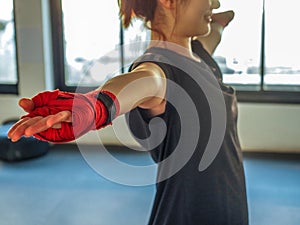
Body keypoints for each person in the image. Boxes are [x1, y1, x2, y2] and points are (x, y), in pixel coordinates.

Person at [8, 0, 248, 224]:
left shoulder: (201, 55)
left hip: (231, 208)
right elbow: (138, 83)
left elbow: (221, 22)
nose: (215, 2)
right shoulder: (158, 69)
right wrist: (96, 107)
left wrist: (218, 17)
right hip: (188, 215)